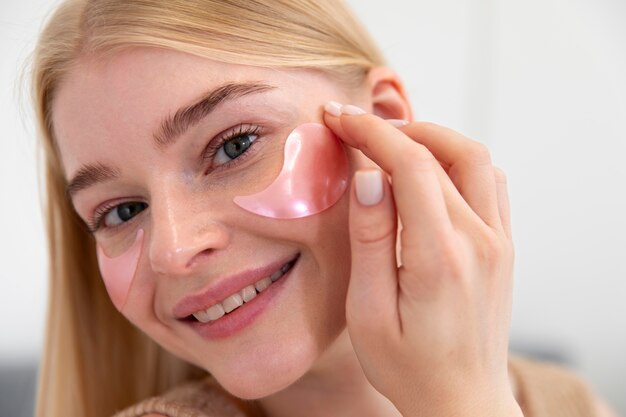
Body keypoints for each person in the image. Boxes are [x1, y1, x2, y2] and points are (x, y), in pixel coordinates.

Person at [30, 1, 616, 417]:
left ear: (384, 124)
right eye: (123, 210)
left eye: (233, 146)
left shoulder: (570, 402)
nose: (174, 249)